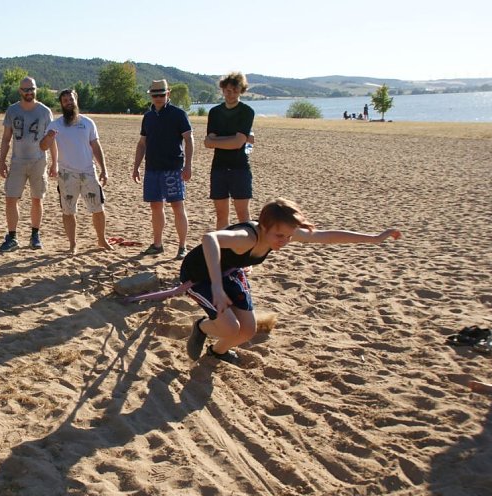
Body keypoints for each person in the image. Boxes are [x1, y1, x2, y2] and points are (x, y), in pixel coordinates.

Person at [182, 198, 402, 364]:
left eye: (289, 236)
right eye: (280, 236)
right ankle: (201, 327)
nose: (285, 242)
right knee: (231, 328)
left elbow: (325, 237)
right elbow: (209, 238)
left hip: (230, 270)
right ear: (264, 226)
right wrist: (218, 289)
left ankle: (217, 352)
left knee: (247, 331)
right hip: (201, 276)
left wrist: (374, 238)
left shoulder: (281, 233)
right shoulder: (247, 236)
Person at [39, 89, 112, 254]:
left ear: (76, 100)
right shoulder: (54, 125)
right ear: (61, 104)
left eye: (70, 99)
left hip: (88, 172)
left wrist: (104, 169)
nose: (68, 102)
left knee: (98, 208)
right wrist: (49, 137)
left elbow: (96, 146)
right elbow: (43, 146)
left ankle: (101, 239)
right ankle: (72, 244)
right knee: (68, 210)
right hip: (66, 175)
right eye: (64, 100)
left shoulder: (88, 123)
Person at [133, 79, 194, 260]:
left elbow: (189, 140)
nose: (158, 97)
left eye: (161, 94)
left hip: (173, 169)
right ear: (151, 95)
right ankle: (157, 244)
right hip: (152, 169)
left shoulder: (178, 114)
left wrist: (188, 165)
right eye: (155, 94)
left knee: (177, 206)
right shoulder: (148, 117)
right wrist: (136, 167)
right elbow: (142, 143)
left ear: (168, 94)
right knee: (155, 207)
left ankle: (182, 246)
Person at [0, 77, 57, 252]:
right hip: (17, 162)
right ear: (19, 91)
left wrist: (55, 163)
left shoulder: (45, 112)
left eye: (32, 89)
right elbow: (6, 138)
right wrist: (1, 161)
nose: (29, 92)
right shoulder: (12, 110)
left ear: (36, 89)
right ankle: (12, 236)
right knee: (11, 199)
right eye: (25, 90)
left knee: (37, 199)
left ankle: (35, 235)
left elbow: (52, 140)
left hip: (39, 162)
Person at [204, 72, 255, 230]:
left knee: (243, 216)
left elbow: (238, 143)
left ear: (241, 90)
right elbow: (207, 142)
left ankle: (246, 250)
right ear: (222, 90)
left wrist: (218, 141)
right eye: (227, 90)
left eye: (235, 90)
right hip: (218, 168)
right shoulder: (215, 112)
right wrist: (232, 139)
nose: (230, 93)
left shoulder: (246, 111)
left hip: (239, 168)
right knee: (221, 216)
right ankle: (223, 250)